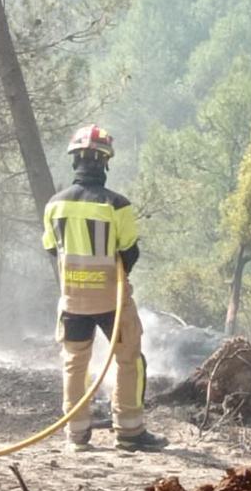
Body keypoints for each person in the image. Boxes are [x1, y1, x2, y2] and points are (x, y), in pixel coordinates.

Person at [42, 125, 168, 452]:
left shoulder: (54, 205)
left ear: (75, 161)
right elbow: (130, 252)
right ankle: (129, 432)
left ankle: (76, 435)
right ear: (105, 163)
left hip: (72, 302)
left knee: (74, 362)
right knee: (129, 359)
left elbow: (51, 249)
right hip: (112, 300)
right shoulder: (117, 205)